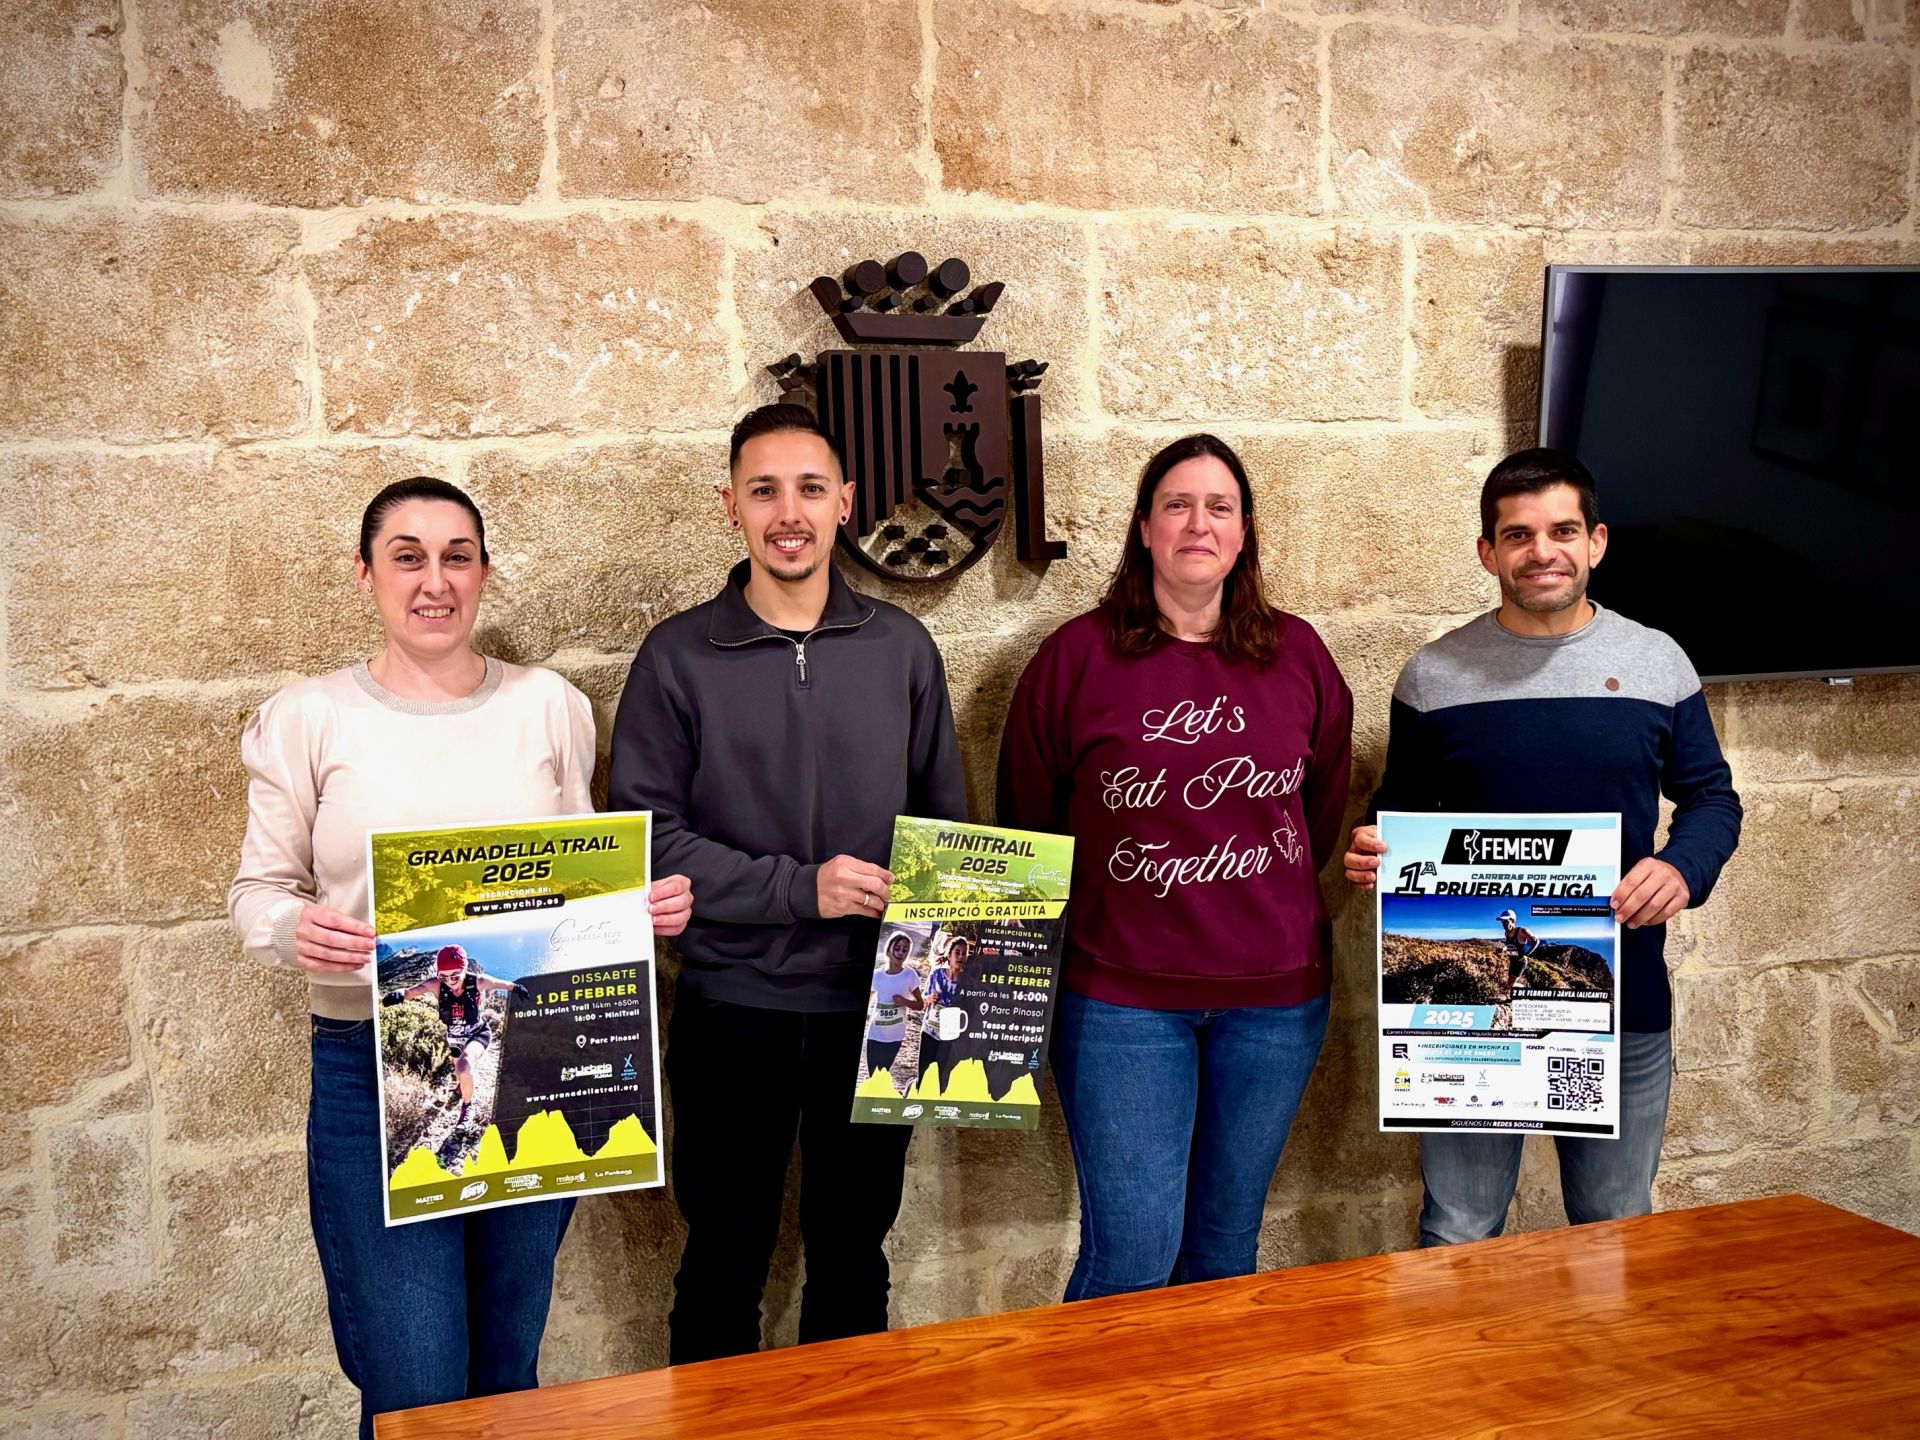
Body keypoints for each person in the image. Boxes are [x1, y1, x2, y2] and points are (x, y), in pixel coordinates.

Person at [227, 477, 693, 1437]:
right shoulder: (309, 717)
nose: (434, 581)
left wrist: (635, 910)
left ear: (483, 573)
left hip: (533, 1059)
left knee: (505, 1365)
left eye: (456, 557)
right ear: (365, 575)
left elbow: (574, 879)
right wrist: (292, 930)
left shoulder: (551, 707)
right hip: (375, 1066)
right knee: (414, 1383)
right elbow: (257, 891)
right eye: (407, 556)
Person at [608, 403, 967, 1363]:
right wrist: (798, 889)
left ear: (846, 504)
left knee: (855, 1260)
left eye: (810, 488)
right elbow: (649, 843)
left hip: (881, 1010)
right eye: (764, 490)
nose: (788, 511)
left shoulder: (902, 650)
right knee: (724, 1259)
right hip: (734, 1010)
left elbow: (949, 839)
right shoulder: (676, 656)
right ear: (730, 506)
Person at [1345, 447, 1742, 1246]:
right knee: (1458, 1228)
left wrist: (1680, 867)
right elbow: (1400, 811)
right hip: (1472, 1024)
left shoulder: (1656, 663)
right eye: (1517, 535)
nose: (1542, 551)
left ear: (1596, 541)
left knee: (1613, 1229)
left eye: (1561, 530)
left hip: (1620, 1003)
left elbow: (1711, 799)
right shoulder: (1433, 676)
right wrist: (1372, 849)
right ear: (1489, 553)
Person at [997, 433, 1353, 1301]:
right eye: (1178, 505)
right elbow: (1029, 823)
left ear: (1244, 533)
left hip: (1275, 1005)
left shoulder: (1299, 656)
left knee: (1226, 1253)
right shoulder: (1075, 660)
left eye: (1220, 507)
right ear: (1145, 529)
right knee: (1132, 1260)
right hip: (1120, 1007)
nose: (1200, 523)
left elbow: (1321, 810)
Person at [383, 943, 532, 1124]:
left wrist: (518, 988)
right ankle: (461, 1087)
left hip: (478, 1033)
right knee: (458, 1071)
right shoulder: (436, 985)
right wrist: (398, 995)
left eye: (455, 975)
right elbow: (410, 992)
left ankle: (468, 1107)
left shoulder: (479, 982)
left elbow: (505, 984)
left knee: (463, 1066)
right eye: (443, 976)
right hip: (454, 1038)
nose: (450, 981)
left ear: (465, 969)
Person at [864, 932, 924, 1085]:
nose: (900, 953)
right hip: (875, 1033)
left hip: (895, 1035)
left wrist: (905, 1001)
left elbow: (920, 1004)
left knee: (882, 1074)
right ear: (889, 948)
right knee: (873, 1075)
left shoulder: (909, 975)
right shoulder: (877, 975)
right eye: (897, 948)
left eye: (905, 950)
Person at [913, 932, 970, 1093]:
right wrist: (929, 997)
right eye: (957, 952)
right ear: (949, 954)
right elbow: (922, 1000)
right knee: (923, 1073)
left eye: (964, 953)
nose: (960, 956)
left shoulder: (967, 981)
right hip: (930, 1030)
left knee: (941, 1075)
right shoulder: (936, 974)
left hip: (950, 1034)